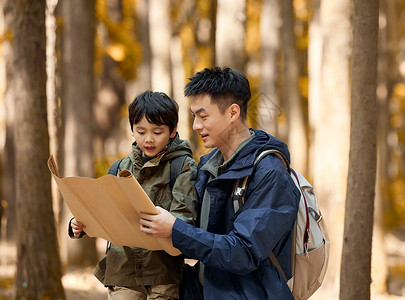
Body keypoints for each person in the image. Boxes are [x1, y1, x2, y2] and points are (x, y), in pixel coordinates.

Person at [139, 67, 299, 299]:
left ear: (233, 112)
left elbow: (243, 252)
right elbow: (197, 236)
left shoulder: (269, 172)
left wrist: (175, 229)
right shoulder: (207, 166)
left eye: (203, 116)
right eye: (194, 116)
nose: (195, 126)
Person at [69, 91, 198, 300]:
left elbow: (185, 217)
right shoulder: (119, 168)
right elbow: (102, 212)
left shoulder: (182, 166)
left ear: (173, 131)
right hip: (122, 270)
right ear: (131, 130)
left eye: (157, 132)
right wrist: (79, 223)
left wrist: (165, 224)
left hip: (163, 272)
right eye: (141, 131)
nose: (148, 139)